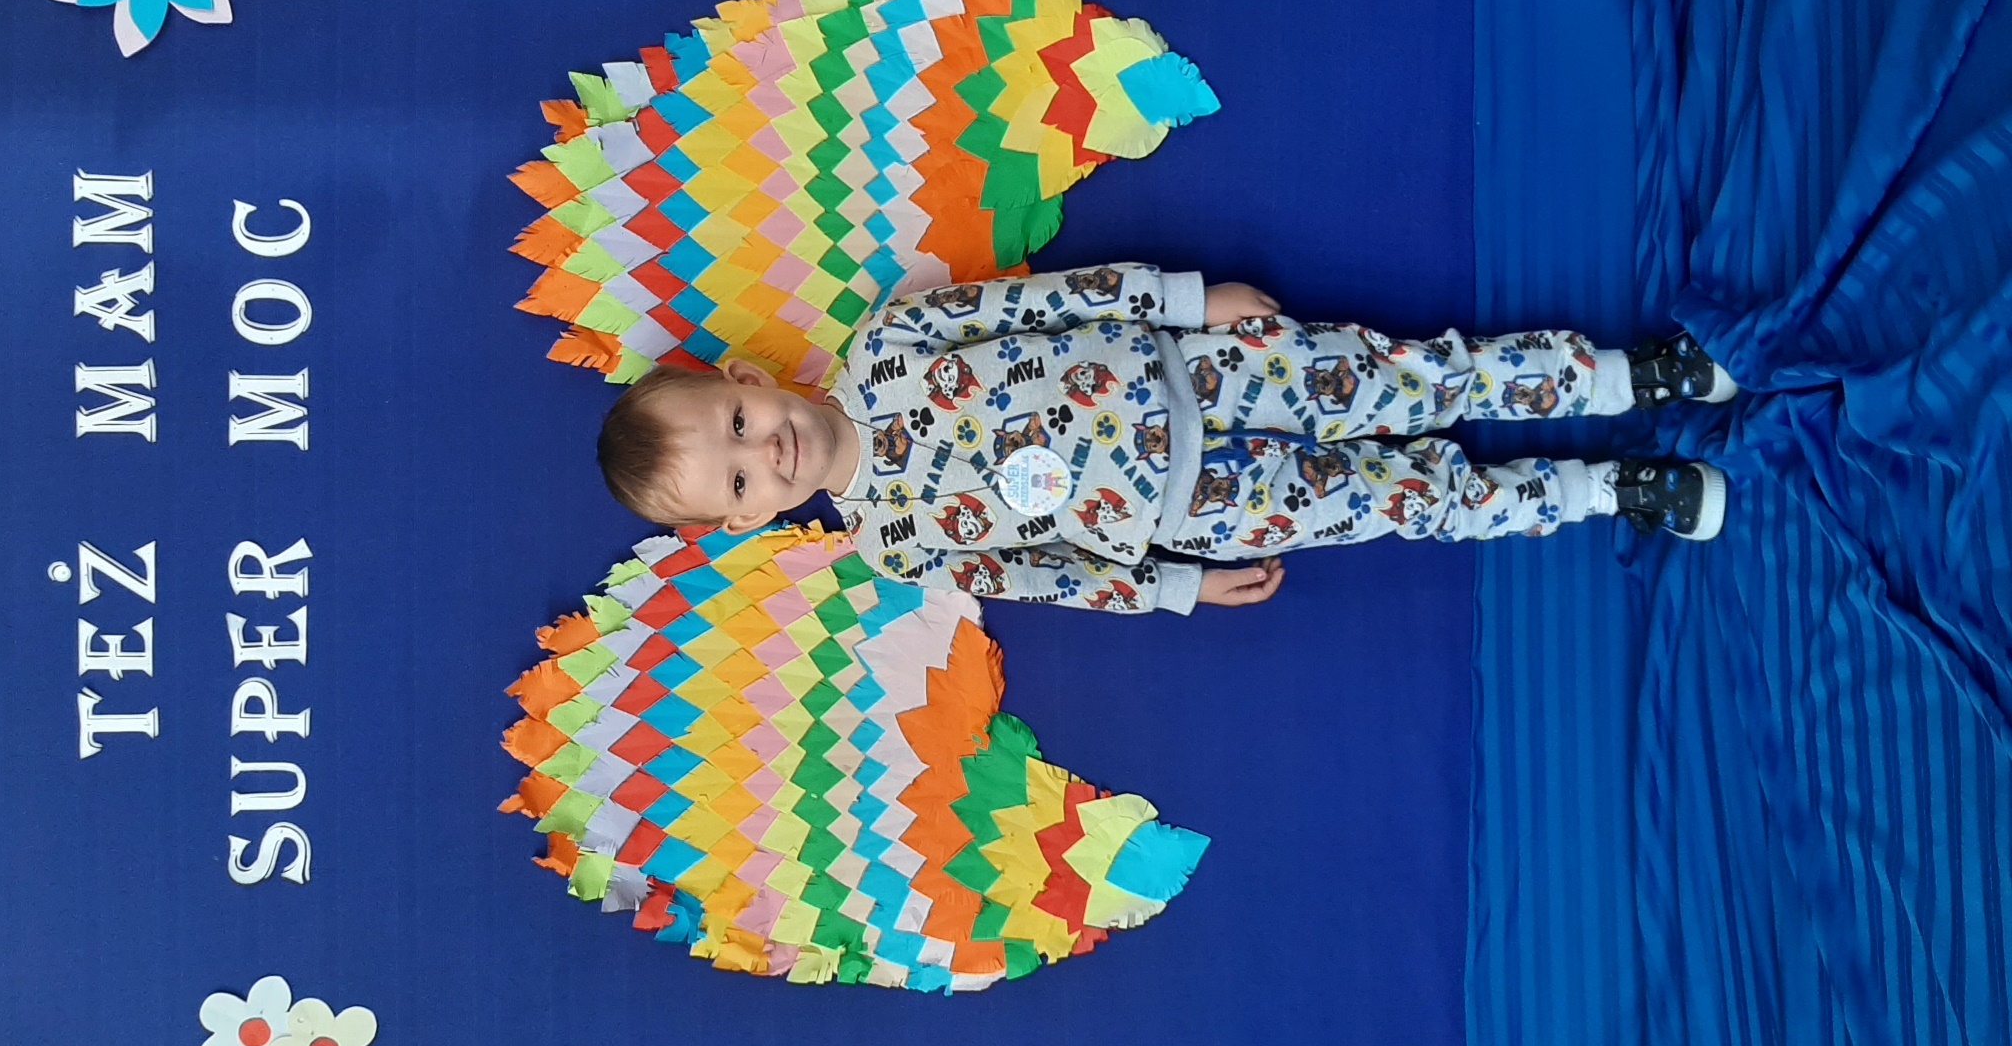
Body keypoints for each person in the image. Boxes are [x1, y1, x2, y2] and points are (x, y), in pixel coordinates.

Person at [597, 264, 1735, 613]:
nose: (765, 452)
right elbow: (1043, 576)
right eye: (738, 479)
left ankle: (1630, 374)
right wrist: (1177, 587)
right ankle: (1611, 488)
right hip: (1205, 511)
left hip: (1206, 370)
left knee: (1419, 379)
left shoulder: (889, 339)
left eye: (739, 423)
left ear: (750, 380)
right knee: (1418, 499)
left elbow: (1042, 301)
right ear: (745, 519)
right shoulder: (892, 546)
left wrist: (1184, 301)